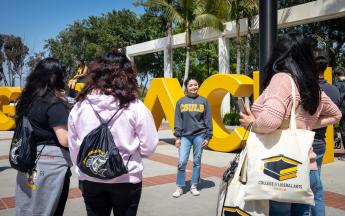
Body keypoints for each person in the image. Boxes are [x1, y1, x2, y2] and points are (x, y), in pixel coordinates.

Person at [239, 33, 342, 216]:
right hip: (306, 167)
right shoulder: (311, 85)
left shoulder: (282, 80)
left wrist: (251, 124)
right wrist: (309, 123)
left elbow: (270, 121)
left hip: (280, 168)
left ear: (280, 54)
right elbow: (336, 115)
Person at [68, 51, 158, 216]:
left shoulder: (80, 106)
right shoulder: (135, 107)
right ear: (127, 74)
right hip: (127, 178)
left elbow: (74, 146)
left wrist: (83, 168)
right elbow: (149, 147)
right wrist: (131, 155)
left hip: (90, 178)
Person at [15, 58, 71, 216]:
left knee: (28, 207)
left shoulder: (25, 101)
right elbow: (65, 140)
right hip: (52, 167)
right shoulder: (54, 103)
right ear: (55, 78)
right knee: (50, 209)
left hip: (26, 161)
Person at [310, 48, 341, 216]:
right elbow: (336, 117)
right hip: (320, 143)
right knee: (315, 188)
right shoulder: (334, 91)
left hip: (301, 143)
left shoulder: (303, 89)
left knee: (295, 192)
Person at [172, 77, 213, 198]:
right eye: (191, 85)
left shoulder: (204, 101)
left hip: (199, 135)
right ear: (186, 87)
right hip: (184, 136)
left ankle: (194, 185)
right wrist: (177, 137)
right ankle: (180, 187)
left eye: (196, 85)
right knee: (182, 161)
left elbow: (208, 120)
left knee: (197, 161)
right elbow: (178, 120)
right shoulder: (181, 101)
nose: (194, 87)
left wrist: (208, 136)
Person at [334, 67, 345, 152]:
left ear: (337, 76)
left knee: (343, 131)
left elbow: (339, 98)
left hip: (343, 110)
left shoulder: (339, 84)